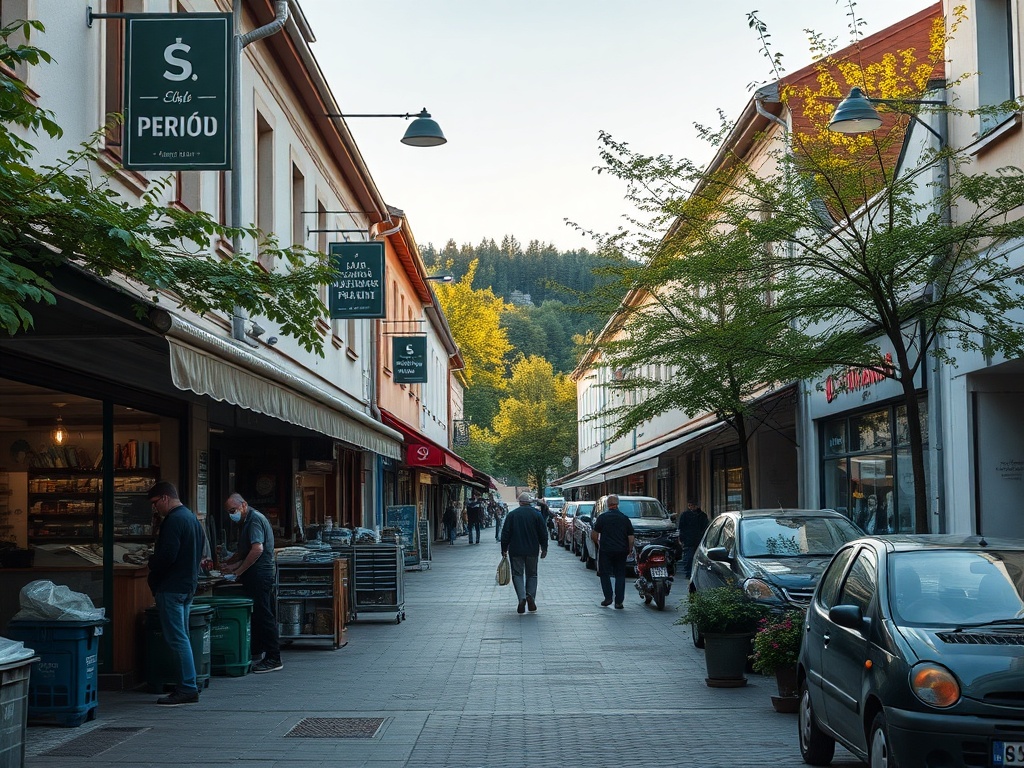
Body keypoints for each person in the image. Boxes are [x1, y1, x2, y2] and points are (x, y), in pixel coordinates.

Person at [147, 481, 205, 706]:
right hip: (187, 585)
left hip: (172, 587)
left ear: (164, 498)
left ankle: (187, 687)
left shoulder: (173, 521)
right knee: (183, 636)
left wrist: (152, 563)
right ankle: (189, 682)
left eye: (154, 503)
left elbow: (167, 555)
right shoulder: (191, 518)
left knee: (177, 638)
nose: (155, 509)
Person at [221, 492, 283, 674]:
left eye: (233, 510)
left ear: (244, 505)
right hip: (257, 575)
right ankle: (257, 651)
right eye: (229, 512)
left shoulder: (254, 520)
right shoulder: (247, 521)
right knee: (258, 615)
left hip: (260, 576)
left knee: (264, 615)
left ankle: (273, 657)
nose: (232, 514)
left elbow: (257, 549)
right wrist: (231, 564)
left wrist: (238, 571)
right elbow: (245, 551)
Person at [500, 492, 548, 613]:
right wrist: (544, 547)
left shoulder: (512, 515)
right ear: (530, 502)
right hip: (532, 550)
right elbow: (543, 533)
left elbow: (505, 533)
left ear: (520, 502)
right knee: (532, 574)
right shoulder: (537, 515)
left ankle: (521, 598)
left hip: (515, 550)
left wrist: (504, 548)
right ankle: (530, 596)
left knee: (517, 574)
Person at [591, 494, 634, 609]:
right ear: (617, 504)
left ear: (607, 504)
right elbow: (631, 537)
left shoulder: (602, 518)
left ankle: (608, 597)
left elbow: (594, 534)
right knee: (620, 575)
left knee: (604, 574)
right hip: (621, 550)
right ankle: (619, 601)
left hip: (606, 550)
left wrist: (598, 544)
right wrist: (629, 549)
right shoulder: (625, 518)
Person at [677, 498, 709, 578]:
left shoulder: (701, 515)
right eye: (690, 505)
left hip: (695, 539)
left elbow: (704, 527)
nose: (691, 507)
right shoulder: (686, 515)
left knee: (693, 557)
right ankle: (690, 573)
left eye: (692, 505)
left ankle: (692, 573)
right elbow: (681, 528)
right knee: (689, 557)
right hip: (690, 539)